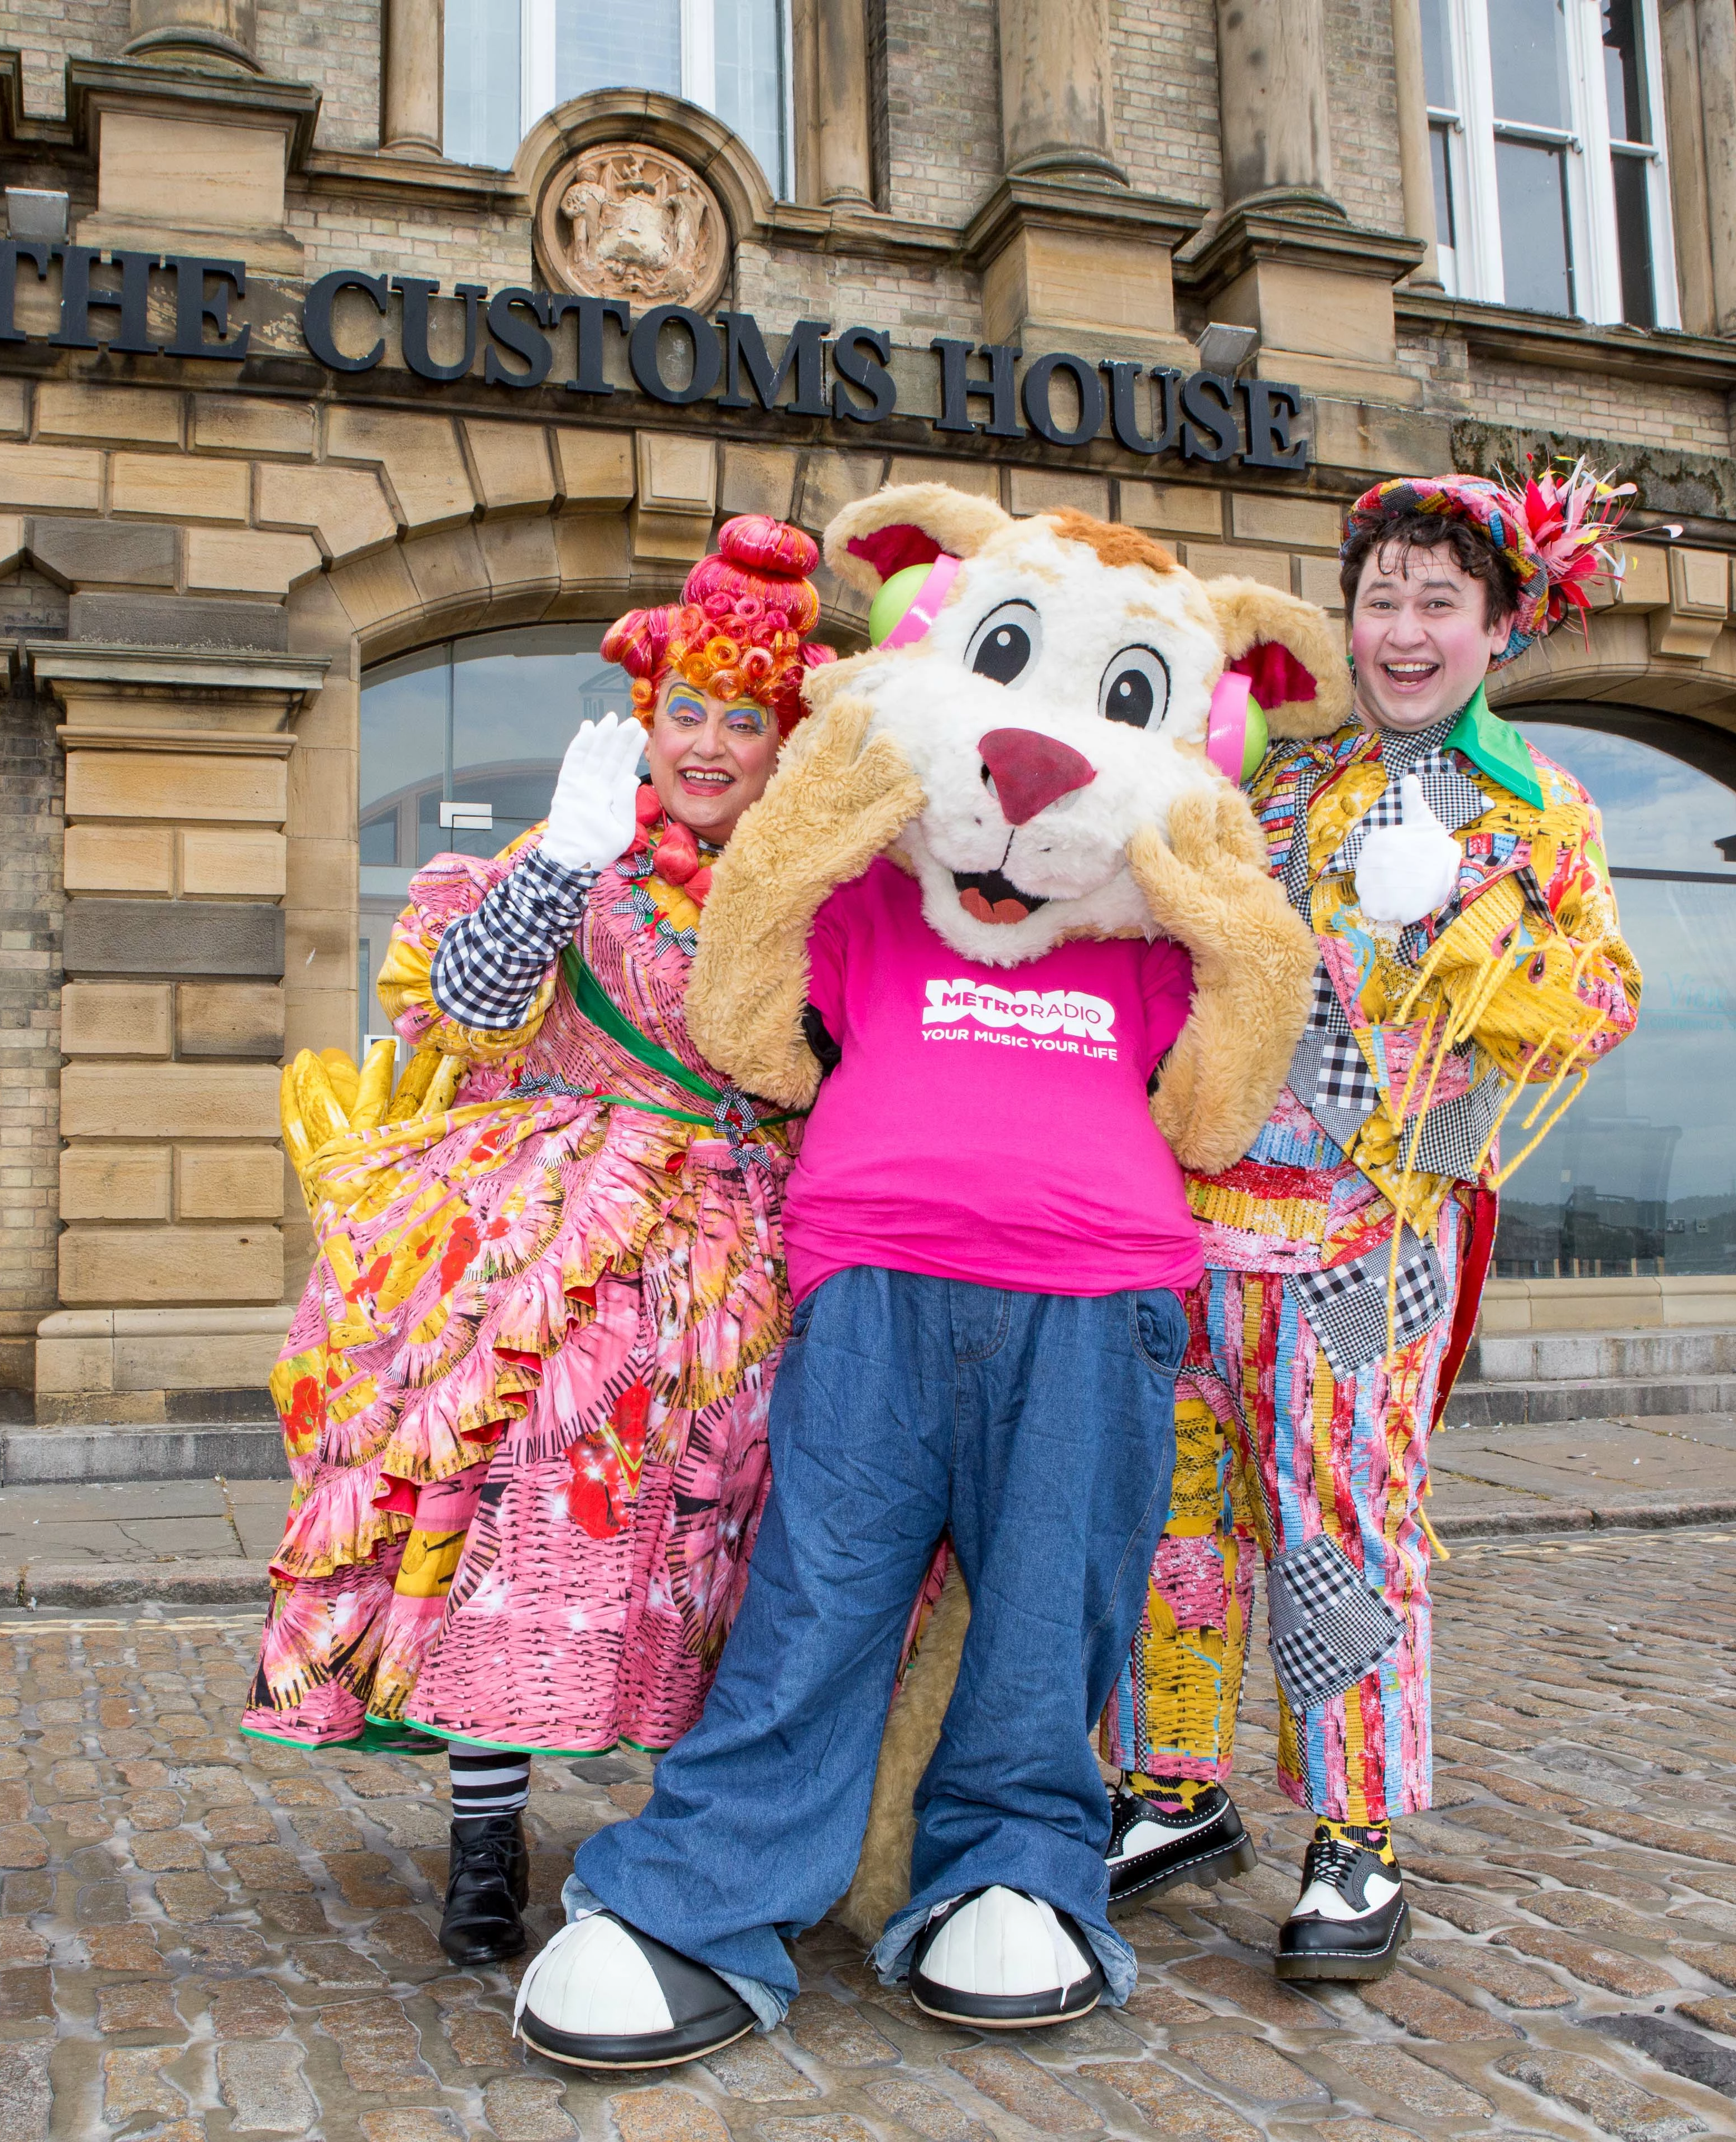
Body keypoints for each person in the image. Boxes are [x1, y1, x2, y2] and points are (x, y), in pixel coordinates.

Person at [507, 483, 1327, 2068]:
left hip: (1099, 1299)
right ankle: (700, 1893)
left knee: (1050, 1610)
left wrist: (1240, 920)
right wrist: (810, 828)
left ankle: (1016, 1868)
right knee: (816, 1594)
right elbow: (745, 1030)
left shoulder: (1150, 943)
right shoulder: (878, 905)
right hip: (873, 1283)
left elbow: (1219, 1116)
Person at [239, 515, 831, 1967]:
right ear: (647, 718)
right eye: (684, 710)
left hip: (748, 1246)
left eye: (739, 719)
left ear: (781, 743)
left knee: (727, 1536)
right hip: (568, 1231)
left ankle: (693, 1831)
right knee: (521, 1511)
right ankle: (488, 1833)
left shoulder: (813, 897)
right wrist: (560, 861)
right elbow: (475, 1001)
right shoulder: (588, 866)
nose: (705, 743)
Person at [1099, 467, 1645, 1981]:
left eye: (1437, 604)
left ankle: (1355, 1831)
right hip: (1202, 1217)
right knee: (1172, 1513)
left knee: (1340, 1523)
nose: (1403, 631)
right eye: (1380, 600)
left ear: (1499, 625)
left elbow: (1602, 1000)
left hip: (1371, 1233)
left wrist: (1456, 938)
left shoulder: (1537, 814)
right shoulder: (1281, 780)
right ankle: (1175, 1785)